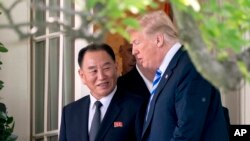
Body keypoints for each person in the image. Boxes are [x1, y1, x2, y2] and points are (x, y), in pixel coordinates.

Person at [128, 10, 229, 141]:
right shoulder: (170, 71)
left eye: (136, 42)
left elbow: (187, 132)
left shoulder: (191, 65)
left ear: (158, 40)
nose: (133, 51)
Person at [59, 43, 144, 141]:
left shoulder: (136, 106)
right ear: (82, 76)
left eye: (106, 68)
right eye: (93, 71)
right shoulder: (70, 112)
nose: (101, 76)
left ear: (116, 68)